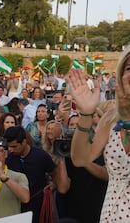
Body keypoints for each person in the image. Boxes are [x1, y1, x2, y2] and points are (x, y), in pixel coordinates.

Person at [66, 50, 130, 222]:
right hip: (111, 214)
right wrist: (86, 114)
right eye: (129, 68)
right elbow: (80, 159)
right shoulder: (110, 118)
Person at [4, 126, 70, 223]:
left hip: (38, 207)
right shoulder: (8, 159)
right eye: (8, 147)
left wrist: (54, 185)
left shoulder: (41, 156)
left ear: (24, 142)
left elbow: (54, 175)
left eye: (14, 146)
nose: (11, 150)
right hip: (15, 207)